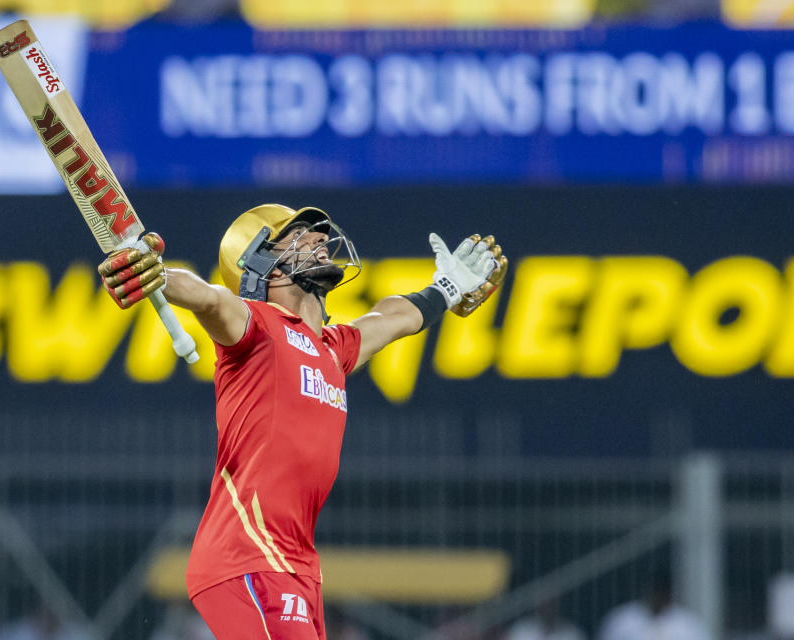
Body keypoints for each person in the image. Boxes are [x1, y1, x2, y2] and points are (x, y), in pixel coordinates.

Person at [98, 204, 507, 640]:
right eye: (295, 235)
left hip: (296, 566)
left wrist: (444, 289)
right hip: (247, 556)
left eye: (315, 232)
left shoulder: (334, 347)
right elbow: (209, 297)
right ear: (260, 265)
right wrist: (158, 275)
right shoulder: (256, 328)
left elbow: (393, 319)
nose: (316, 239)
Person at [597, 571, 710, 640]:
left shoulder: (687, 624)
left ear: (669, 595)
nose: (659, 598)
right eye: (656, 593)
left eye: (663, 594)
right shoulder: (623, 620)